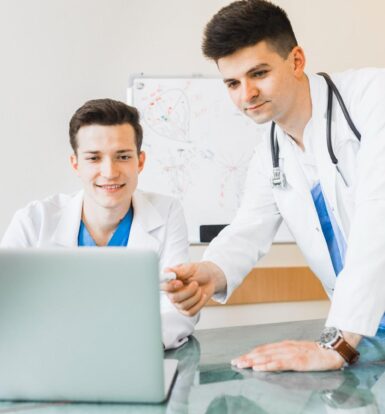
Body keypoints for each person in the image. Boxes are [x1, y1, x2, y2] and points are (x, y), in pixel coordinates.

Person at [162, 0, 385, 370]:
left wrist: (339, 344)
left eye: (259, 73)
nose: (245, 94)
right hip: (369, 329)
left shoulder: (374, 99)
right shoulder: (271, 151)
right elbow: (248, 229)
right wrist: (211, 272)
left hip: (354, 329)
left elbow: (379, 216)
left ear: (296, 61)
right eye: (232, 83)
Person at [1, 98, 198, 350]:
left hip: (136, 355)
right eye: (94, 158)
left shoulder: (167, 212)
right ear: (76, 164)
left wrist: (120, 345)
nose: (109, 172)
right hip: (50, 359)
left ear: (140, 161)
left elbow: (178, 308)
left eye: (123, 156)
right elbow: (7, 308)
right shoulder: (33, 221)